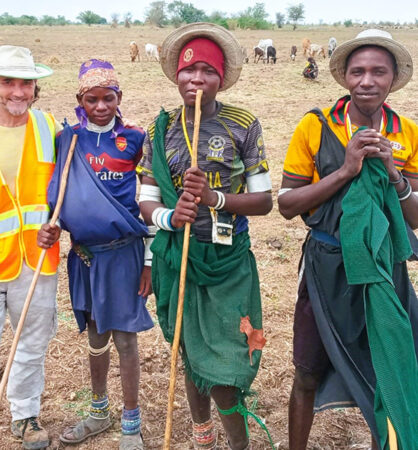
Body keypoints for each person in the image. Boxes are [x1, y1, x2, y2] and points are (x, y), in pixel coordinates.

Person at [278, 29, 418, 450]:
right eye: (358, 71)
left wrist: (393, 174)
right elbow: (287, 204)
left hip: (383, 270)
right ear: (344, 78)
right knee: (306, 370)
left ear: (393, 78)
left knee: (389, 370)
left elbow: (416, 216)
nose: (367, 81)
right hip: (327, 266)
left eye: (379, 71)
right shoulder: (316, 126)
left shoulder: (406, 133)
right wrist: (346, 169)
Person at [137, 23, 274, 450]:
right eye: (188, 70)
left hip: (228, 258)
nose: (196, 79)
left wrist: (215, 198)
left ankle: (238, 443)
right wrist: (169, 216)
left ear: (221, 78)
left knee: (229, 363)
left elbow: (265, 200)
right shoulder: (159, 131)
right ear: (176, 75)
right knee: (187, 348)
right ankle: (201, 434)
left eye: (207, 72)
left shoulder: (243, 124)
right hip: (179, 257)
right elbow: (146, 200)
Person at [38, 59, 153, 449]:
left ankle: (131, 424)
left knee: (125, 339)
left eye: (108, 98)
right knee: (95, 335)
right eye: (92, 99)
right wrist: (52, 225)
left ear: (119, 98)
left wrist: (150, 261)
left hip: (124, 254)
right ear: (80, 100)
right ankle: (99, 412)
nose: (101, 106)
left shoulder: (136, 139)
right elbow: (56, 193)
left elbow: (153, 198)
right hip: (84, 256)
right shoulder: (67, 139)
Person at [0, 45, 60, 449]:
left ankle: (25, 416)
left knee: (32, 345)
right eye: (8, 82)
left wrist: (59, 225)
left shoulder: (50, 127)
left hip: (38, 261)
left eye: (26, 83)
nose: (19, 91)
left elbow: (69, 188)